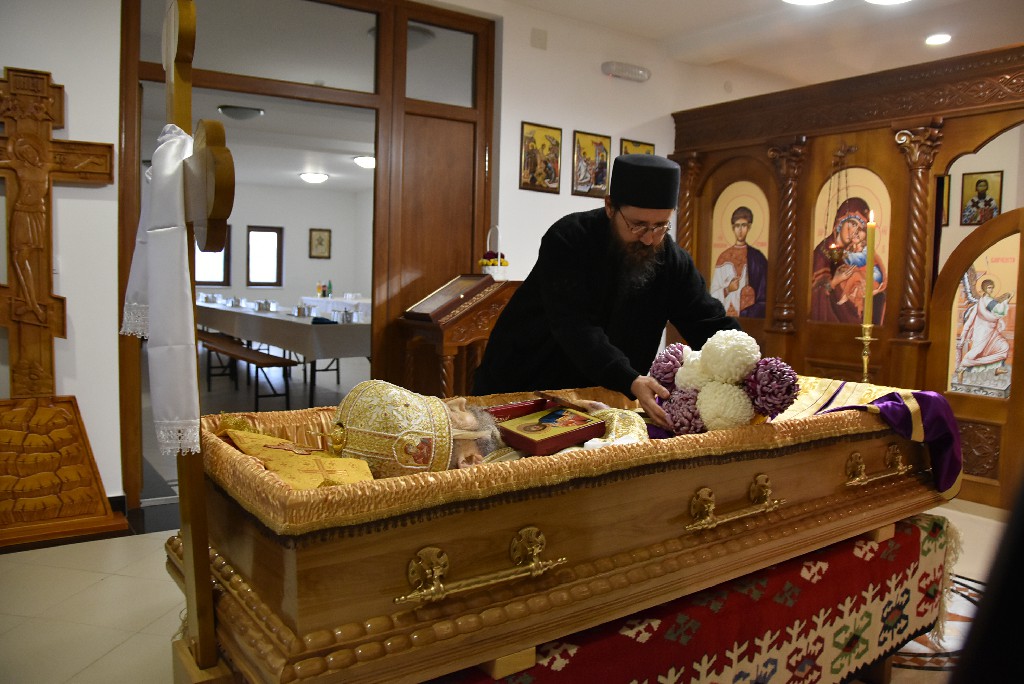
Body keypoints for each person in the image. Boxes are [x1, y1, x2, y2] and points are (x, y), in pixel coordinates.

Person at [472, 154, 740, 431]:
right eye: (638, 225)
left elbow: (707, 322)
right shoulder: (569, 239)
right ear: (610, 207)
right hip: (525, 384)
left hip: (602, 396)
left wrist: (750, 367)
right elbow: (575, 328)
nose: (649, 238)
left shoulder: (672, 260)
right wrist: (629, 379)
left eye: (660, 225)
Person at [810, 197, 886, 324]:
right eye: (853, 224)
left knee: (881, 298)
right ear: (840, 222)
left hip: (852, 307)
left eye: (860, 229)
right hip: (832, 316)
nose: (855, 232)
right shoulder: (823, 251)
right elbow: (814, 293)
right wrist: (835, 281)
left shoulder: (853, 251)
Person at [709, 206, 768, 317]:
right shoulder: (723, 257)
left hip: (749, 317)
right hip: (725, 317)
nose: (740, 230)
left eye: (743, 225)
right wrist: (728, 289)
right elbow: (712, 295)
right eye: (737, 226)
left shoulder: (757, 258)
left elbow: (764, 294)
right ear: (733, 228)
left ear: (749, 227)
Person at [956, 278, 1012, 381]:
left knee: (1003, 346)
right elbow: (999, 310)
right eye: (989, 288)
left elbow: (995, 312)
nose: (991, 290)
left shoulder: (984, 301)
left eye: (992, 288)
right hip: (983, 332)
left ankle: (997, 368)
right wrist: (1007, 300)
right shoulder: (986, 301)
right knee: (975, 353)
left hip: (992, 331)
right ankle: (961, 369)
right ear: (984, 289)